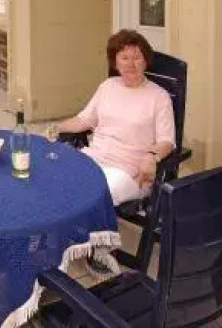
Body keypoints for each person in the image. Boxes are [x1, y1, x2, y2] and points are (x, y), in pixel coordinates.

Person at [51, 29, 175, 206]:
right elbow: (84, 120)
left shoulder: (159, 96)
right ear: (115, 62)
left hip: (128, 171)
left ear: (145, 61)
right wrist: (56, 127)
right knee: (55, 178)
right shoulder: (108, 86)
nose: (131, 64)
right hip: (93, 158)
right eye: (124, 58)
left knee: (89, 196)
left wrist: (152, 156)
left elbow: (166, 141)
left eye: (137, 57)